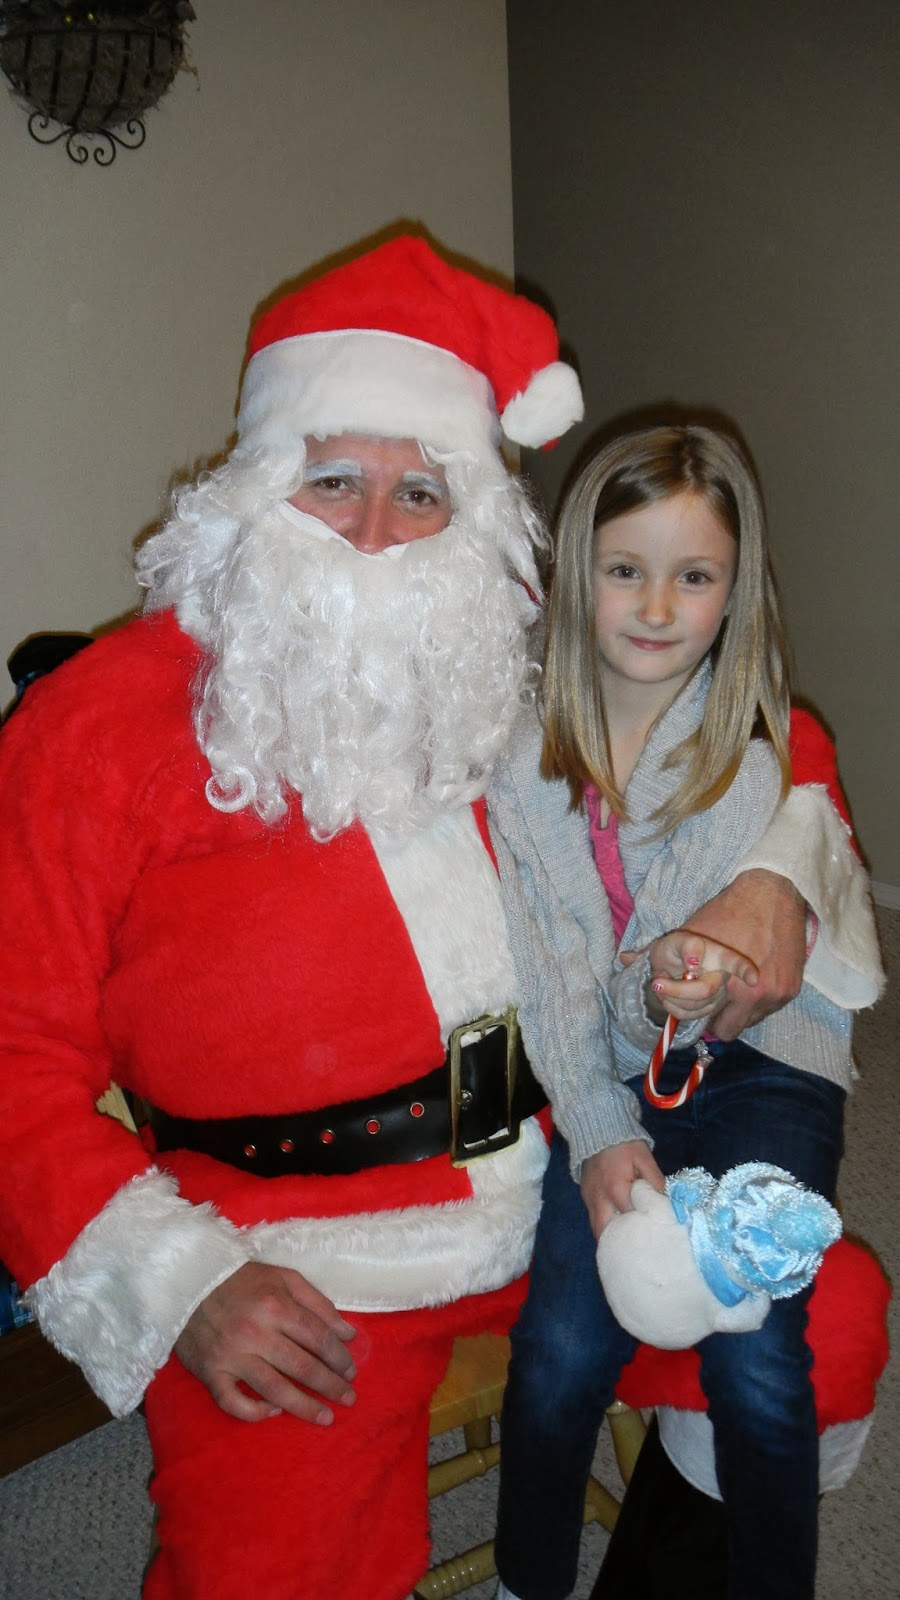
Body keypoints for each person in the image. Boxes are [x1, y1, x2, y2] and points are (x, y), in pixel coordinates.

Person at [0, 238, 847, 1600]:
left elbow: (757, 717)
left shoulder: (506, 645)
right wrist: (176, 1280)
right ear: (256, 482)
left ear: (473, 515)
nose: (377, 535)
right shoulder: (93, 723)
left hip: (579, 1157)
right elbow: (12, 1059)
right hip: (299, 1250)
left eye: (421, 493)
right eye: (333, 480)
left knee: (828, 1326)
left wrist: (783, 868)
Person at [488, 423, 883, 1600]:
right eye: (626, 569)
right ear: (577, 574)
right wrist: (602, 1133)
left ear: (734, 590)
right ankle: (527, 1581)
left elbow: (654, 997)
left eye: (695, 575)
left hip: (765, 1062)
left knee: (759, 1360)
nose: (658, 607)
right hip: (617, 1066)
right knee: (556, 1353)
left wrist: (680, 984)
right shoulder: (517, 758)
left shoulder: (742, 762)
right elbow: (553, 976)